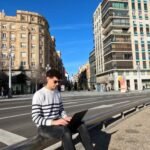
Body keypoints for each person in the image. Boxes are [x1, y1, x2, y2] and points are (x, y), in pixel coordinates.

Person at [32, 69, 94, 150]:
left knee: (81, 125)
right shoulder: (39, 94)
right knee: (65, 131)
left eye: (58, 82)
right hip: (44, 127)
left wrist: (65, 117)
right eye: (55, 81)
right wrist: (53, 122)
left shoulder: (57, 93)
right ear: (48, 79)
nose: (57, 84)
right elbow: (35, 118)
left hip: (58, 123)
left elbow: (61, 109)